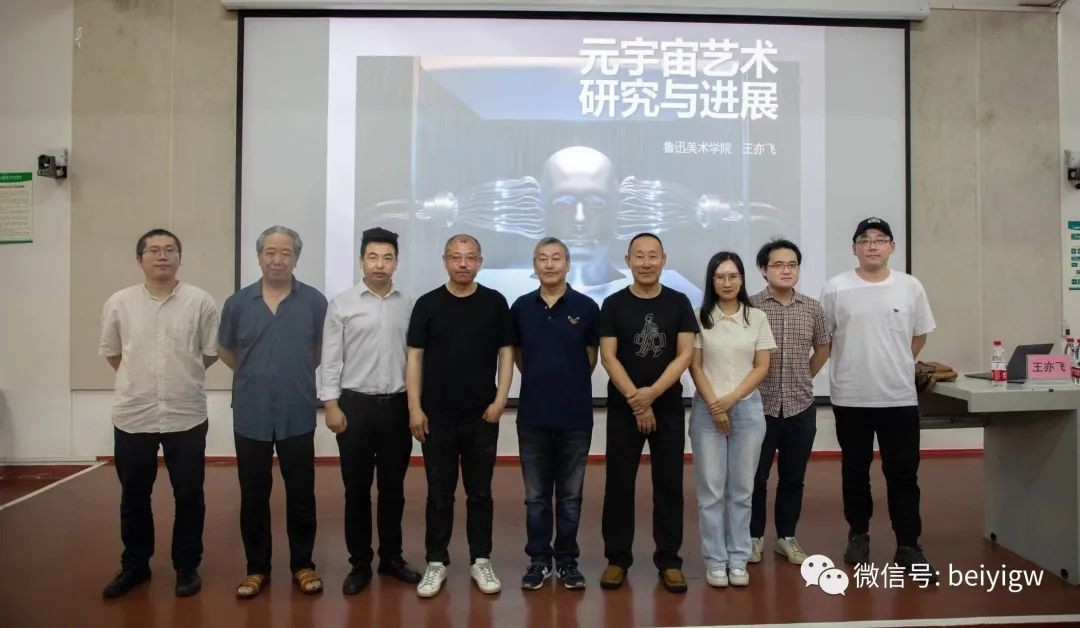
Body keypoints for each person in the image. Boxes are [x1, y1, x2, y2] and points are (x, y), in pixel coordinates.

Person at [98, 228, 219, 599]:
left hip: (186, 413)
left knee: (189, 494)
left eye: (169, 250)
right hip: (134, 414)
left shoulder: (200, 301)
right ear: (140, 260)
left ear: (180, 258)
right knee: (134, 495)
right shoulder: (119, 302)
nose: (162, 256)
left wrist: (180, 377)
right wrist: (141, 381)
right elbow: (112, 352)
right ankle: (135, 566)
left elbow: (209, 352)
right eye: (153, 250)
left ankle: (187, 566)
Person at [820, 217, 938, 581]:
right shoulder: (836, 288)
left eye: (880, 239)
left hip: (898, 397)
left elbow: (919, 336)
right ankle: (858, 534)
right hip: (851, 397)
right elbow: (826, 338)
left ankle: (909, 545)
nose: (873, 245)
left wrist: (896, 362)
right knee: (855, 472)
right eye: (865, 240)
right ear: (854, 248)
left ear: (892, 247)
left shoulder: (910, 286)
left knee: (903, 474)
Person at [219, 225, 328, 599]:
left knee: (301, 493)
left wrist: (292, 373)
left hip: (297, 410)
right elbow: (226, 350)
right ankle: (256, 569)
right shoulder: (238, 304)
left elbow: (319, 351)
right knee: (253, 494)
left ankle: (303, 565)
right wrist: (255, 375)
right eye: (270, 252)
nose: (277, 259)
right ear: (258, 256)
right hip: (251, 412)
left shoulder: (314, 302)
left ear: (296, 258)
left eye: (285, 253)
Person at [406, 234, 516, 597]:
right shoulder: (428, 304)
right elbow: (414, 357)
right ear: (445, 261)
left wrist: (501, 399)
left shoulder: (495, 302)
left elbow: (506, 353)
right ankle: (436, 562)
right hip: (435, 417)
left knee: (480, 493)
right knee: (439, 493)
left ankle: (480, 559)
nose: (463, 263)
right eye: (456, 257)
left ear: (480, 262)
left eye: (470, 257)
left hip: (481, 416)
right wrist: (415, 407)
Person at [320, 227, 422, 595]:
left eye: (387, 258)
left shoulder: (409, 305)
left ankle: (391, 558)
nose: (380, 264)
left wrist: (416, 406)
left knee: (393, 489)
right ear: (361, 261)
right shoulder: (342, 304)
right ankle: (359, 563)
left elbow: (417, 360)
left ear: (396, 262)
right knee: (357, 490)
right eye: (373, 257)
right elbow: (331, 359)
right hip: (355, 407)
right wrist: (331, 405)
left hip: (396, 407)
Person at [597, 232, 697, 593]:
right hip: (624, 408)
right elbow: (608, 357)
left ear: (664, 260)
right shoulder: (613, 304)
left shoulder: (679, 302)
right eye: (638, 256)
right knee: (618, 485)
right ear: (628, 260)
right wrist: (636, 400)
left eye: (652, 256)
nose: (646, 263)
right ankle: (617, 559)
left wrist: (651, 395)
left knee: (669, 485)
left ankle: (669, 561)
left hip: (667, 407)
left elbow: (684, 355)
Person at [510, 237, 599, 590]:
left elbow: (591, 357)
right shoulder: (521, 307)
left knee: (570, 497)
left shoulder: (587, 307)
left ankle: (566, 561)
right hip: (532, 416)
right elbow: (518, 355)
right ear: (534, 265)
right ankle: (538, 560)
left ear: (568, 264)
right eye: (542, 259)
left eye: (556, 258)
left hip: (575, 417)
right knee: (535, 497)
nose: (549, 265)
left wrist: (567, 381)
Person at [688, 251, 775, 588]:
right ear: (712, 281)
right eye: (720, 276)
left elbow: (762, 366)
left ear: (742, 279)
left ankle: (738, 559)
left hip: (748, 411)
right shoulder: (699, 317)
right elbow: (695, 366)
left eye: (733, 276)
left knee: (741, 491)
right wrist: (715, 406)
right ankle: (715, 561)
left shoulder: (757, 317)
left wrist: (731, 400)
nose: (727, 282)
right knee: (710, 492)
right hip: (707, 411)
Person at [748, 239, 831, 566]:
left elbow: (823, 347)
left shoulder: (812, 308)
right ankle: (753, 538)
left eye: (792, 265)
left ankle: (786, 537)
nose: (786, 270)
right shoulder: (750, 307)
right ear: (763, 269)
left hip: (800, 406)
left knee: (793, 478)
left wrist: (804, 376)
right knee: (755, 479)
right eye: (778, 265)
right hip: (759, 406)